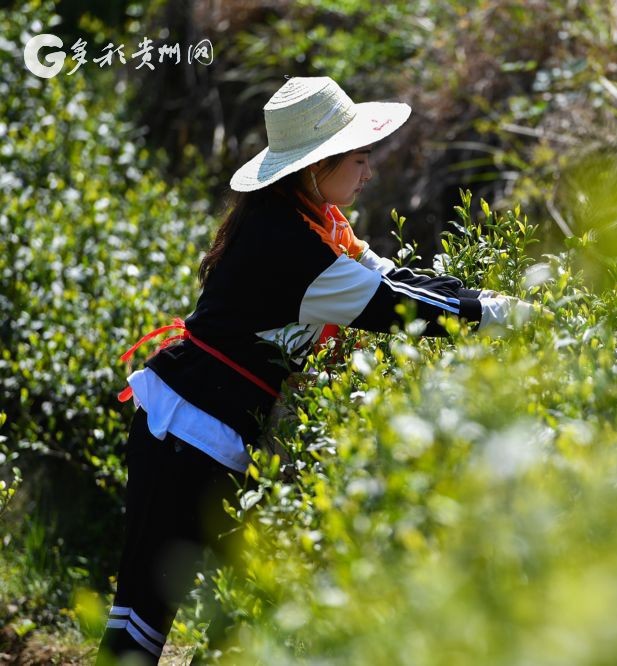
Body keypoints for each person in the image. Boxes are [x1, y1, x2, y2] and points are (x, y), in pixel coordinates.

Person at [96, 76, 530, 663]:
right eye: (361, 157)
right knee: (142, 624)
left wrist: (488, 300)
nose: (369, 172)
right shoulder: (294, 248)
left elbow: (391, 279)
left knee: (251, 609)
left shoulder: (312, 223)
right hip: (183, 432)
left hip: (212, 433)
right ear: (317, 165)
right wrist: (508, 316)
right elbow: (397, 308)